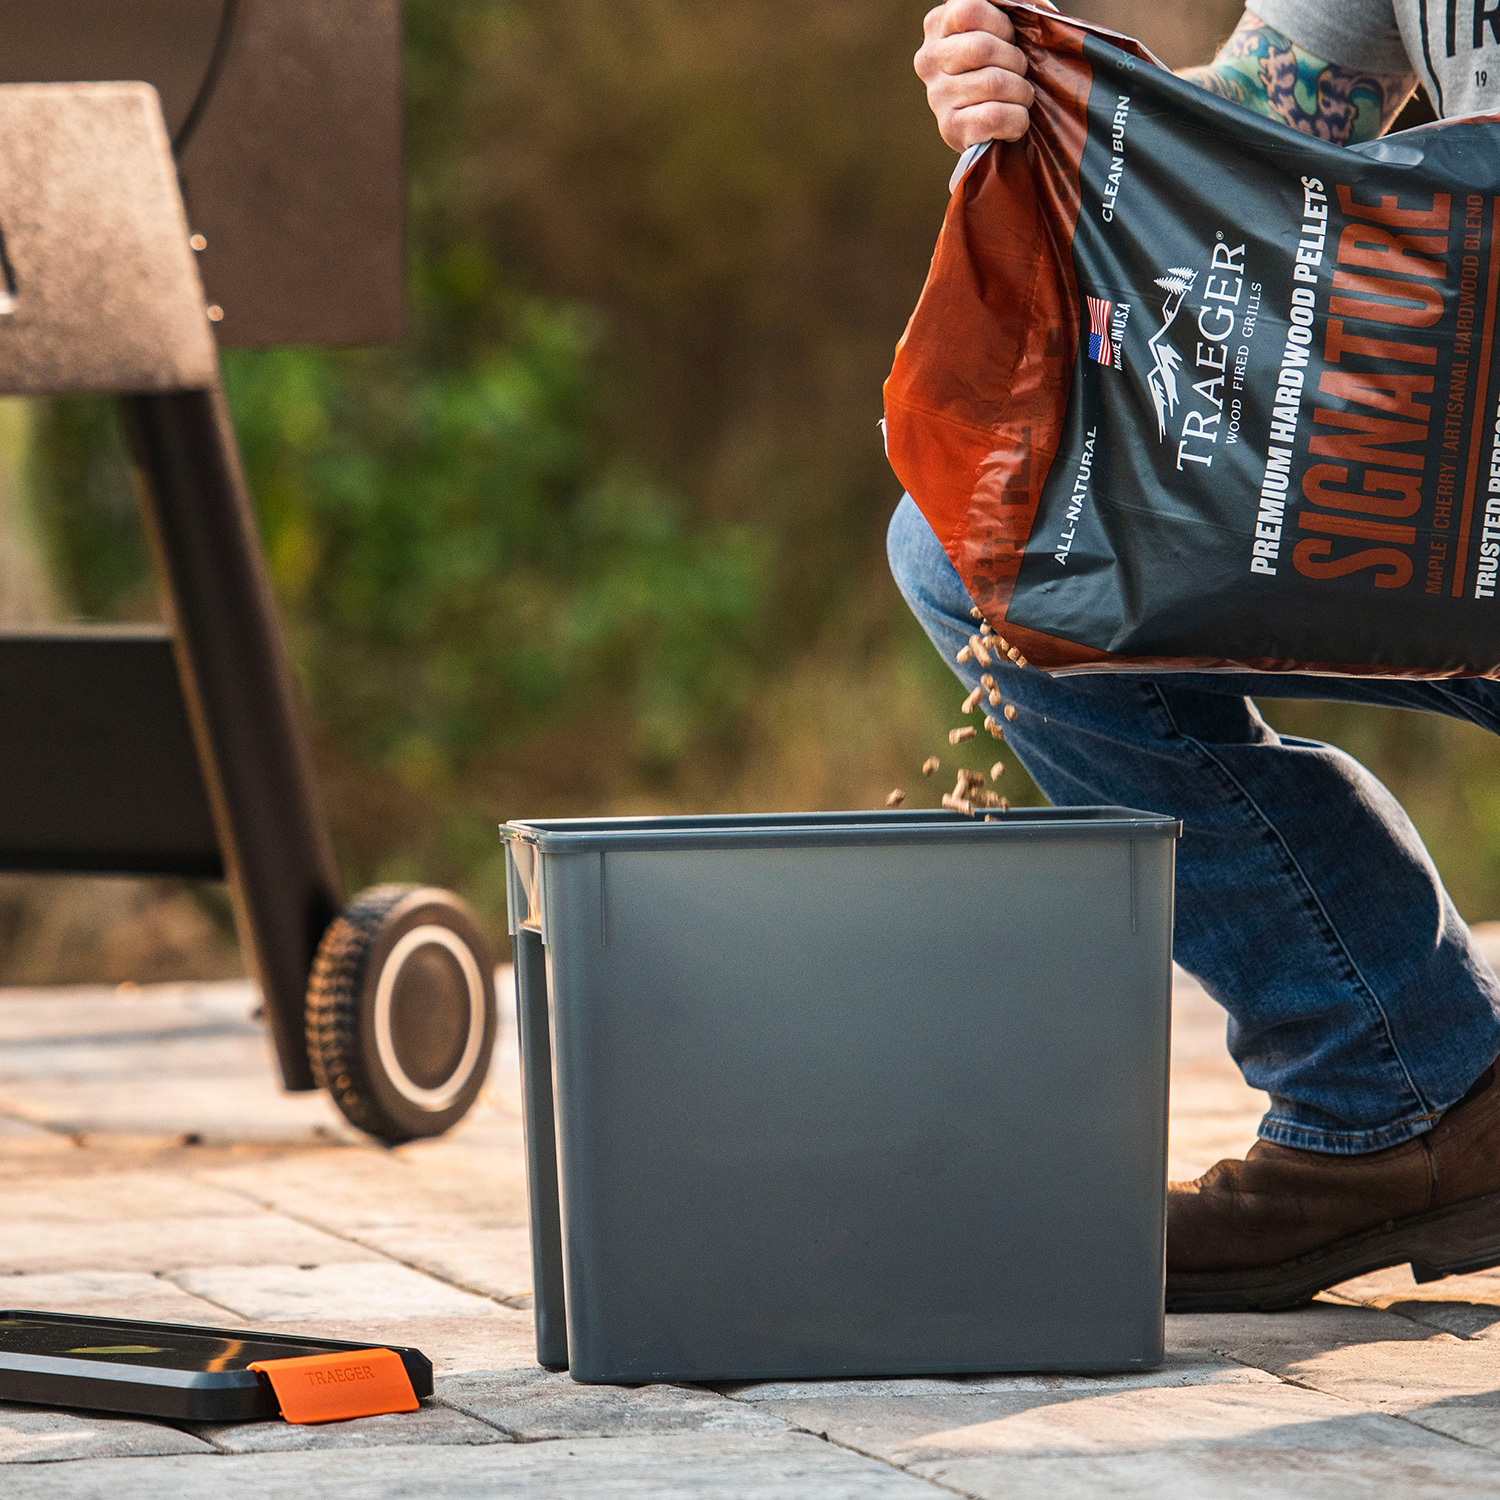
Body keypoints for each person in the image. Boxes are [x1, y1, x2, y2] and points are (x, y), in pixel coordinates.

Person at [894, 0, 1500, 1311]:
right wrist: (1060, 110)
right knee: (992, 548)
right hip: (1469, 505)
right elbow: (1251, 148)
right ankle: (1402, 1097)